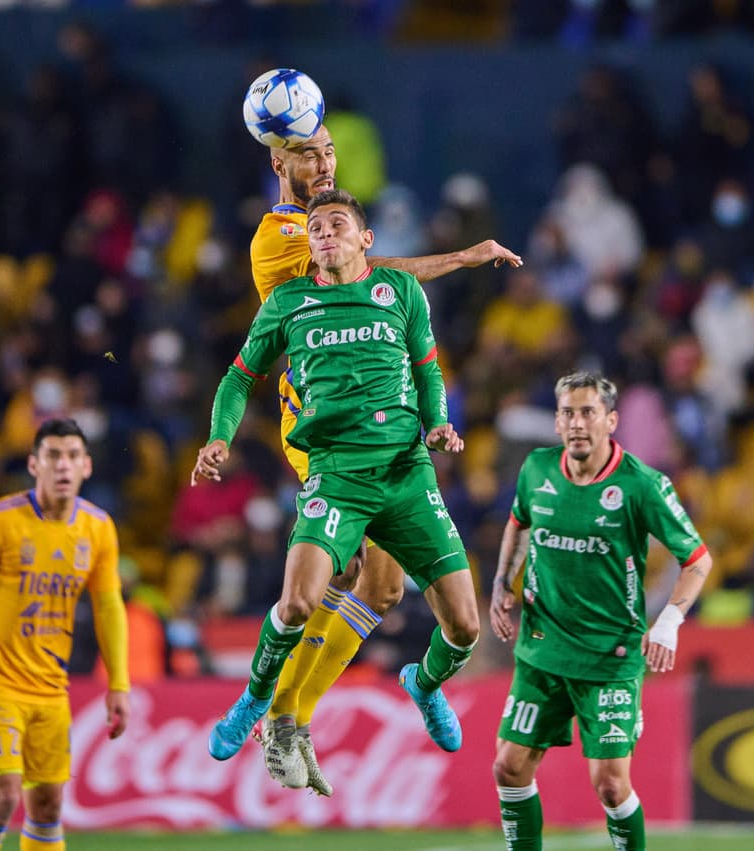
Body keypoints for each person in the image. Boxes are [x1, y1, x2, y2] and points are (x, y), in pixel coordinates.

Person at [248, 123, 522, 795]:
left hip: (383, 436)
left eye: (332, 151)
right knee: (332, 579)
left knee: (385, 587)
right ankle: (274, 711)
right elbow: (374, 279)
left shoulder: (338, 233)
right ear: (281, 161)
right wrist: (459, 258)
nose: (326, 161)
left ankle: (293, 713)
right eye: (311, 152)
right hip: (319, 429)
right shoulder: (283, 237)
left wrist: (437, 421)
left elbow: (392, 302)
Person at [194, 189, 478, 791]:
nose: (322, 233)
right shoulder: (288, 297)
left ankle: (422, 684)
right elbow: (237, 378)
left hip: (405, 473)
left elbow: (428, 369)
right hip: (335, 472)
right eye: (315, 226)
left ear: (365, 238)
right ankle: (258, 703)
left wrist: (440, 422)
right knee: (300, 600)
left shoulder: (399, 292)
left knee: (461, 626)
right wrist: (219, 437)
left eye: (336, 224)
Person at [488, 371, 714, 851]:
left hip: (609, 659)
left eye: (588, 412)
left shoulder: (642, 485)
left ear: (611, 421)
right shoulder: (536, 469)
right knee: (509, 766)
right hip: (542, 649)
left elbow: (697, 561)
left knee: (610, 784)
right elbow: (519, 523)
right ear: (555, 422)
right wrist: (501, 583)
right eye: (567, 412)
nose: (577, 423)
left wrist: (669, 622)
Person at [0, 418, 129, 851]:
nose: (64, 466)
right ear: (34, 465)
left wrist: (118, 683)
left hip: (50, 688)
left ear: (87, 467)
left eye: (73, 456)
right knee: (2, 796)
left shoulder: (97, 528)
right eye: (54, 456)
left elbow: (108, 605)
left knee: (47, 804)